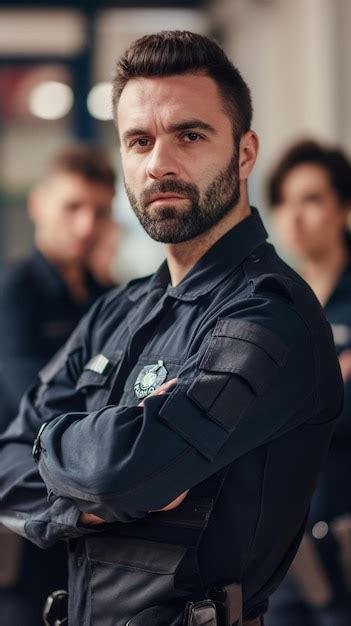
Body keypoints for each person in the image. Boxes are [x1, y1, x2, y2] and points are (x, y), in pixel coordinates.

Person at [0, 32, 343, 626]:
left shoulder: (267, 316)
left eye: (190, 134)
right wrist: (88, 500)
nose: (159, 163)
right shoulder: (115, 311)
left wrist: (62, 452)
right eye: (139, 140)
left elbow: (121, 473)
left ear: (243, 153)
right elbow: (7, 467)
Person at [0, 144, 117, 626]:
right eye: (73, 207)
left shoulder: (109, 299)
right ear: (39, 203)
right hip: (27, 516)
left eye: (99, 211)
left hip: (91, 516)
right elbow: (36, 404)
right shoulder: (13, 294)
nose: (86, 225)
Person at [265, 140, 351, 626]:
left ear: (343, 207)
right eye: (284, 201)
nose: (294, 216)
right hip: (285, 545)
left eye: (312, 199)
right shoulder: (273, 304)